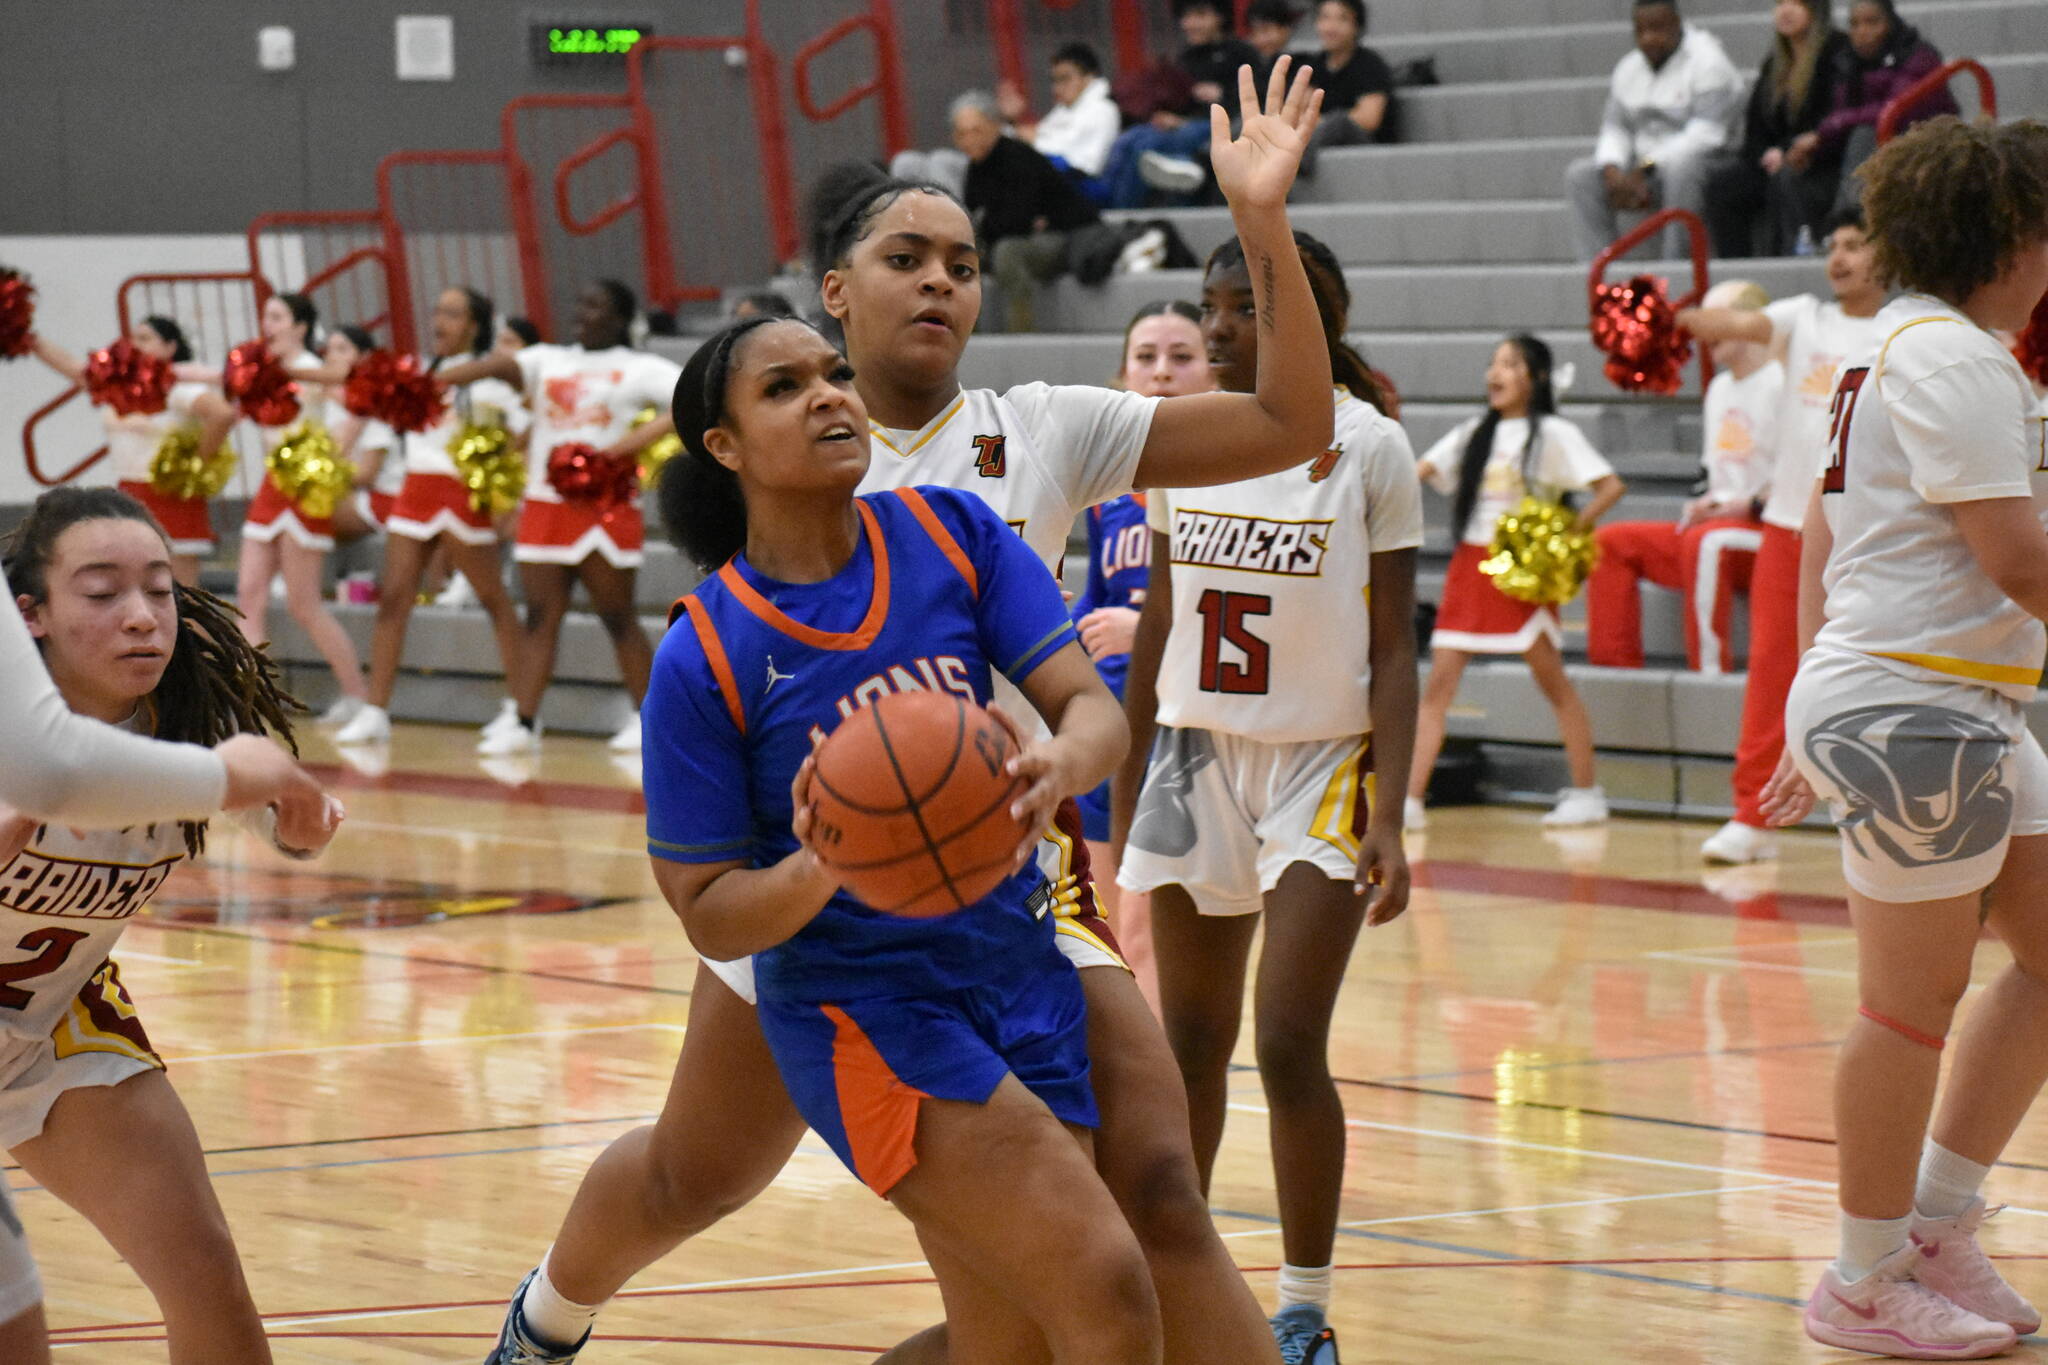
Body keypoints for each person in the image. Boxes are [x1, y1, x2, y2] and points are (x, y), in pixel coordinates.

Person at [483, 59, 1330, 1365]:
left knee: (1151, 1200)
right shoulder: (773, 488)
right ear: (837, 290)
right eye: (906, 256)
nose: (941, 278)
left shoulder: (1036, 429)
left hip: (1018, 878)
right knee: (694, 1179)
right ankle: (547, 1318)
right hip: (827, 900)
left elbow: (1287, 422)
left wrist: (1260, 220)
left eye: (963, 261)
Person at [649, 312, 1164, 1361]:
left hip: (1015, 962)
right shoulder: (704, 651)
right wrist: (823, 861)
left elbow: (1091, 707)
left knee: (1007, 1342)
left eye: (833, 373)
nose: (830, 395)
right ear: (725, 447)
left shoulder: (951, 536)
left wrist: (1064, 759)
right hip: (864, 1011)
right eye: (784, 387)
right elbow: (705, 908)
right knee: (1106, 1285)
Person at [1760, 115, 2048, 1360]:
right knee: (1902, 1009)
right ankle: (1860, 1275)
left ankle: (1931, 1224)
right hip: (1915, 702)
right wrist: (1834, 697)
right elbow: (2018, 559)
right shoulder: (1951, 361)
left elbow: (1829, 541)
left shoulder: (1898, 352)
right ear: (2006, 236)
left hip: (1932, 696)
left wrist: (1811, 697)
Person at [1115, 229, 1420, 1365]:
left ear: (1309, 314)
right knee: (1182, 1043)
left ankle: (1300, 1306)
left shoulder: (1370, 447)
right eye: (1213, 305)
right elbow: (1155, 623)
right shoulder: (1178, 440)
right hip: (1195, 757)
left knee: (1287, 1040)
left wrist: (1388, 809)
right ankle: (1175, 1286)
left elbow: (1394, 648)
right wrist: (1123, 778)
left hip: (1322, 763)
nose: (1221, 325)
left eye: (1244, 305)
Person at [0, 486, 345, 1364]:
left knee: (203, 1269)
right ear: (28, 614)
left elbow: (285, 818)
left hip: (52, 1020)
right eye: (103, 591)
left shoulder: (186, 718)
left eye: (160, 588)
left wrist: (303, 826)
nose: (143, 616)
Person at [1678, 206, 1887, 864]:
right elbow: (1733, 323)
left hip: (1871, 534)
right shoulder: (1803, 317)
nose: (1840, 257)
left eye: (1856, 244)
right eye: (1834, 244)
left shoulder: (1905, 330)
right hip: (1790, 527)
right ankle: (1753, 815)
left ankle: (1881, 807)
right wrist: (1670, 318)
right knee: (1773, 671)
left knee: (1877, 672)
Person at [435, 279, 680, 756]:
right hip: (546, 505)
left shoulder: (640, 367)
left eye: (595, 304)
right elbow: (498, 366)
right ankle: (524, 721)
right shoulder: (547, 359)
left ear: (619, 318)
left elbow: (686, 401)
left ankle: (649, 719)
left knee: (617, 617)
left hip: (604, 507)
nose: (582, 311)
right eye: (581, 301)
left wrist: (619, 449)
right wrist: (437, 379)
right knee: (540, 616)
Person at [1409, 336, 1626, 830]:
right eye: (1493, 364)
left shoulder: (1552, 432)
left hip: (1521, 573)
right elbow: (1418, 471)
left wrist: (1567, 531)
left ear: (1537, 378)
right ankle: (1410, 801)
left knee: (1553, 683)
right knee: (1438, 686)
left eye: (1510, 363)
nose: (1496, 372)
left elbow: (1610, 486)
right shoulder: (1472, 432)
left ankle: (1588, 793)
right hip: (1470, 566)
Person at [1073, 300, 1215, 1004]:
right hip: (1108, 727)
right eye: (1147, 358)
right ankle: (1107, 1102)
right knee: (1098, 930)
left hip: (1186, 729)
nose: (1161, 374)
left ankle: (1157, 1107)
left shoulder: (1229, 486)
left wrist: (1152, 629)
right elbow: (1092, 599)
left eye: (1181, 357)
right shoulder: (1108, 495)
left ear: (1214, 375)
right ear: (1121, 374)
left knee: (1142, 927)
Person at [333, 288, 530, 748]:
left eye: (453, 314)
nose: (440, 321)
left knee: (493, 599)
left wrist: (496, 468)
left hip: (462, 495)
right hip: (415, 491)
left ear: (474, 325)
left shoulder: (492, 382)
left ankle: (521, 711)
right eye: (438, 311)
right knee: (393, 598)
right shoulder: (418, 371)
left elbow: (528, 427)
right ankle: (375, 711)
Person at [1587, 280, 1782, 672]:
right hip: (1720, 526)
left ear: (1748, 322)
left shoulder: (1782, 382)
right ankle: (1617, 673)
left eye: (1715, 317)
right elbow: (1719, 475)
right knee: (1611, 543)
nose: (1702, 330)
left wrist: (1743, 506)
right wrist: (1705, 502)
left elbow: (1798, 479)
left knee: (1705, 544)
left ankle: (1709, 674)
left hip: (1768, 532)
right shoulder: (1720, 390)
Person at [231, 292, 371, 728]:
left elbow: (358, 393)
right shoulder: (260, 368)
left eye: (277, 316)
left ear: (301, 326)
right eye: (265, 315)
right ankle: (251, 699)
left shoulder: (316, 368)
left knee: (303, 603)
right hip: (272, 486)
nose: (267, 323)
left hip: (306, 489)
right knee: (248, 594)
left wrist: (333, 454)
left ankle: (360, 698)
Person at [26, 317, 235, 587]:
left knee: (184, 599)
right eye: (133, 338)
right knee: (137, 588)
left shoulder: (178, 386)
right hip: (128, 494)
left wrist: (196, 462)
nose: (136, 345)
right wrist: (28, 337)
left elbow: (222, 414)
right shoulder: (119, 384)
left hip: (170, 495)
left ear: (170, 347)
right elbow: (76, 370)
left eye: (146, 338)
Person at [1564, 0, 1744, 262]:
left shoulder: (1709, 63)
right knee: (1580, 176)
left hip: (1710, 162)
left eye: (1657, 29)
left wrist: (1646, 166)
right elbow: (1616, 127)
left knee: (1682, 167)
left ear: (1677, 25)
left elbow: (1707, 135)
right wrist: (1612, 170)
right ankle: (1599, 272)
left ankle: (1676, 268)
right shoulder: (1628, 69)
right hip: (1647, 169)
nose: (1648, 38)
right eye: (1640, 31)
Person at [1703, 0, 1854, 257]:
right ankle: (1736, 267)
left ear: (1816, 9)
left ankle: (1793, 256)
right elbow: (1755, 129)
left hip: (1820, 162)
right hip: (1774, 162)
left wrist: (1786, 151)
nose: (1785, 11)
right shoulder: (1774, 62)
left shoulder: (1838, 51)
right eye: (1780, 3)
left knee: (1786, 178)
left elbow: (1832, 120)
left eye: (1796, 3)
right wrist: (1766, 153)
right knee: (1723, 185)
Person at [950, 90, 1104, 334]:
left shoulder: (1018, 158)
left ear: (995, 126)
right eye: (961, 134)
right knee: (962, 256)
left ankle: (1020, 336)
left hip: (1064, 234)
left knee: (1007, 253)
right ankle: (966, 339)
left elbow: (1016, 221)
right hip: (1024, 235)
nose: (969, 140)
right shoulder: (975, 168)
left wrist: (990, 227)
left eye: (975, 130)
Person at [1099, 0, 1260, 208]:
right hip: (1182, 124)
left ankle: (1178, 172)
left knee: (1151, 145)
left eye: (1200, 15)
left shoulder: (1241, 52)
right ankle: (1115, 208)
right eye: (1186, 17)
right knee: (1131, 139)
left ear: (1219, 17)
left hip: (1219, 125)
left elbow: (1256, 97)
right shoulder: (1185, 58)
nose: (1190, 24)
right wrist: (1166, 116)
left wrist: (1223, 94)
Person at [1814, 0, 1958, 216]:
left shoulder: (1918, 55)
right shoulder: (1845, 61)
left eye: (1872, 22)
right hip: (1864, 152)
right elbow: (1840, 114)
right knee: (1794, 171)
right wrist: (1818, 141)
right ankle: (1807, 242)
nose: (1862, 32)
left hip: (1920, 145)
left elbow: (1896, 111)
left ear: (1890, 23)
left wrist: (1836, 123)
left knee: (1864, 135)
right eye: (1854, 24)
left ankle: (1852, 220)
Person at [998, 41, 1123, 191]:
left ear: (1090, 77)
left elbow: (1066, 156)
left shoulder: (1103, 109)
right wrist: (1012, 122)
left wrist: (1025, 135)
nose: (1056, 88)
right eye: (1054, 80)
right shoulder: (1064, 109)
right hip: (1059, 179)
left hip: (1083, 186)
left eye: (1064, 78)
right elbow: (1037, 137)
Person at [1302, 0, 1398, 163]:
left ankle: (1295, 163)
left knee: (1339, 123)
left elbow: (1369, 119)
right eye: (1325, 18)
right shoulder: (1314, 65)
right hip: (1322, 140)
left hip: (1366, 146)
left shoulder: (1370, 64)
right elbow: (1301, 112)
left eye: (1342, 19)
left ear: (1357, 26)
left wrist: (1322, 122)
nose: (1331, 27)